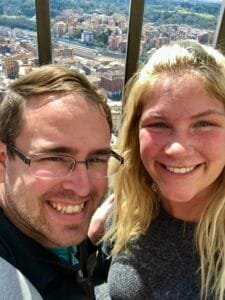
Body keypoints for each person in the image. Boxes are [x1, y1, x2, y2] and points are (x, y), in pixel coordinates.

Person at [94, 40, 225, 300]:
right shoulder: (131, 206)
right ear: (135, 133)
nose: (177, 149)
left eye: (204, 123)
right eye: (159, 124)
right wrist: (92, 241)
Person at [0, 64, 124, 299]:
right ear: (3, 160)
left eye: (97, 158)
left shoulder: (32, 222)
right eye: (54, 158)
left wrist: (89, 241)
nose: (83, 187)